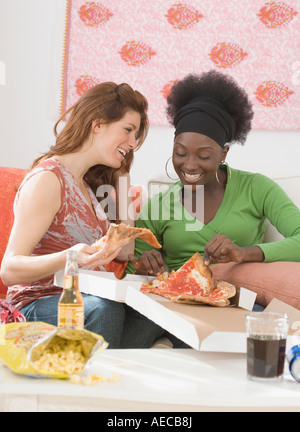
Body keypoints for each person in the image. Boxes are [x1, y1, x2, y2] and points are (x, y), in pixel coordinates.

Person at [127, 70, 300, 344]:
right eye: (180, 153)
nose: (190, 165)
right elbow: (132, 269)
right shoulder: (159, 205)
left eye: (204, 155)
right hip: (176, 307)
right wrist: (143, 266)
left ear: (223, 153)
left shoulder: (257, 188)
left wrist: (244, 254)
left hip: (237, 302)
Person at [1, 82, 165, 348]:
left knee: (156, 313)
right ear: (97, 124)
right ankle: (96, 381)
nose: (134, 143)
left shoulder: (89, 187)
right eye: (128, 130)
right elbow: (9, 269)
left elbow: (125, 252)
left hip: (88, 298)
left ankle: (102, 366)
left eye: (136, 135)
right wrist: (71, 256)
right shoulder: (49, 179)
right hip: (38, 303)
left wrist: (123, 175)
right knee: (104, 310)